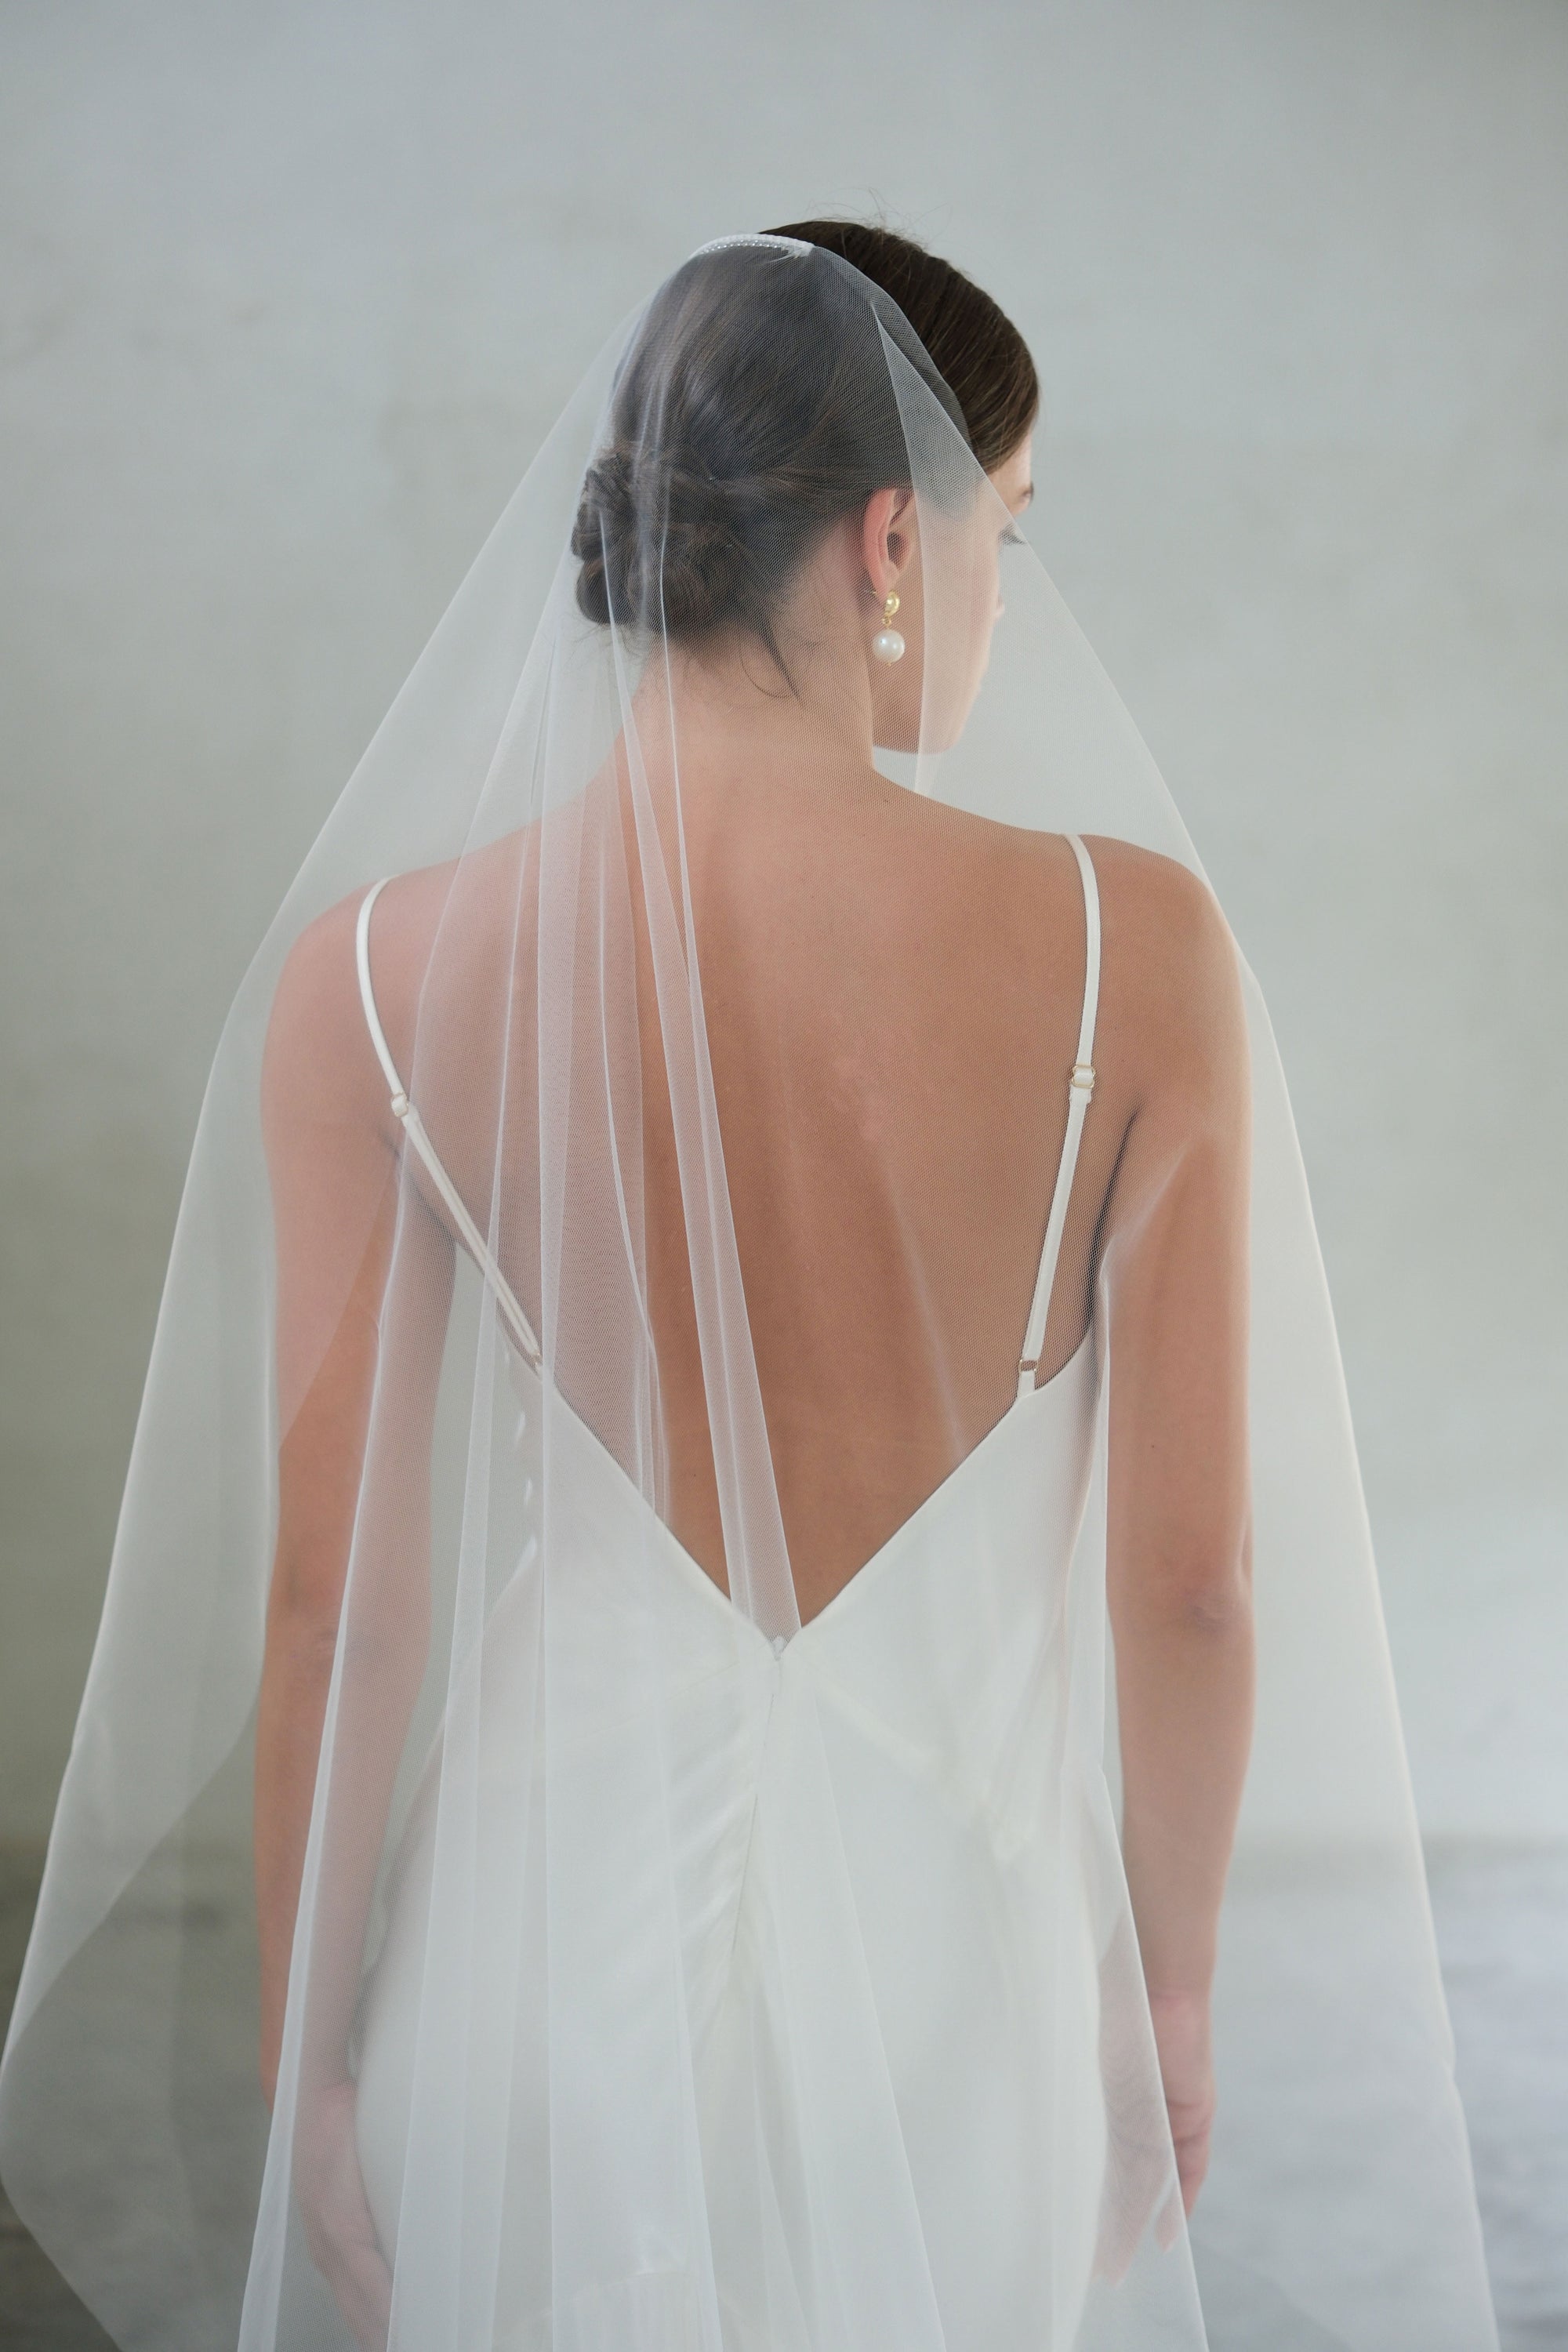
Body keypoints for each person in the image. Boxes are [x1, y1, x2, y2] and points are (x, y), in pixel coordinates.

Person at [0, 226, 1498, 2352]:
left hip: (530, 1983)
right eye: (1007, 532)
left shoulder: (372, 987)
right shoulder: (1134, 951)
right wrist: (1165, 1988)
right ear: (892, 537)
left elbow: (339, 1609)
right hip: (953, 2007)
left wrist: (307, 2059)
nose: (1006, 601)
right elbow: (1192, 1590)